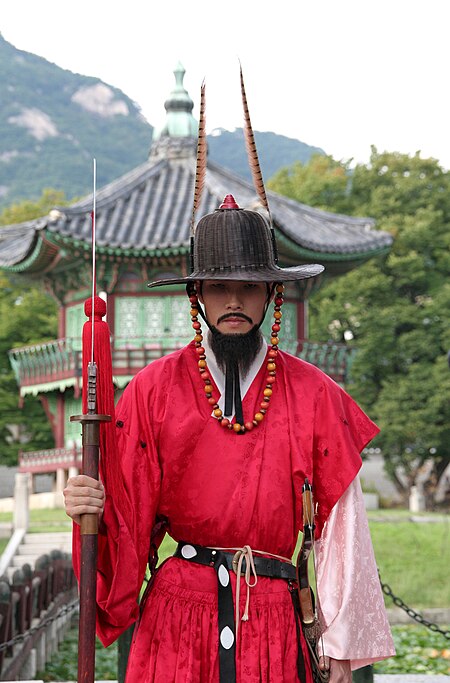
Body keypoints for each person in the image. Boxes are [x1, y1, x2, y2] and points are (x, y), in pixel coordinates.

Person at [64, 195, 395, 683]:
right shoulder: (152, 390)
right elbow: (126, 516)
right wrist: (90, 504)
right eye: (219, 287)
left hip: (273, 612)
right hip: (178, 613)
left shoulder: (315, 393)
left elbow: (342, 528)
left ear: (271, 295)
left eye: (249, 287)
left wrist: (341, 644)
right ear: (196, 293)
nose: (234, 301)